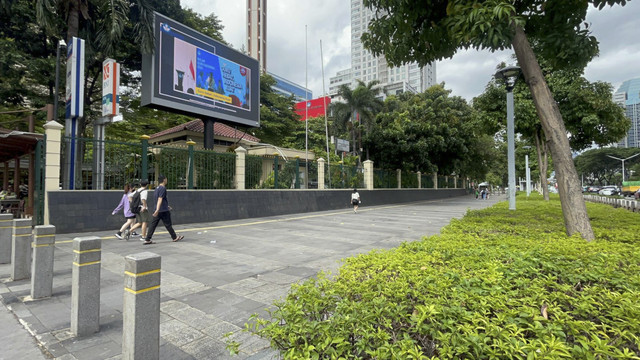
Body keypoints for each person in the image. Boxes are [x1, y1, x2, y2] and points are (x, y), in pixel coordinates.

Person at [143, 175, 183, 245]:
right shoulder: (162, 188)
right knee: (168, 224)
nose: (166, 180)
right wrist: (158, 209)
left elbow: (158, 199)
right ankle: (174, 237)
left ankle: (147, 239)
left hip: (158, 209)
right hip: (162, 210)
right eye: (166, 179)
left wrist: (165, 206)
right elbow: (160, 199)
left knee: (153, 225)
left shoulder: (157, 188)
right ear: (164, 180)